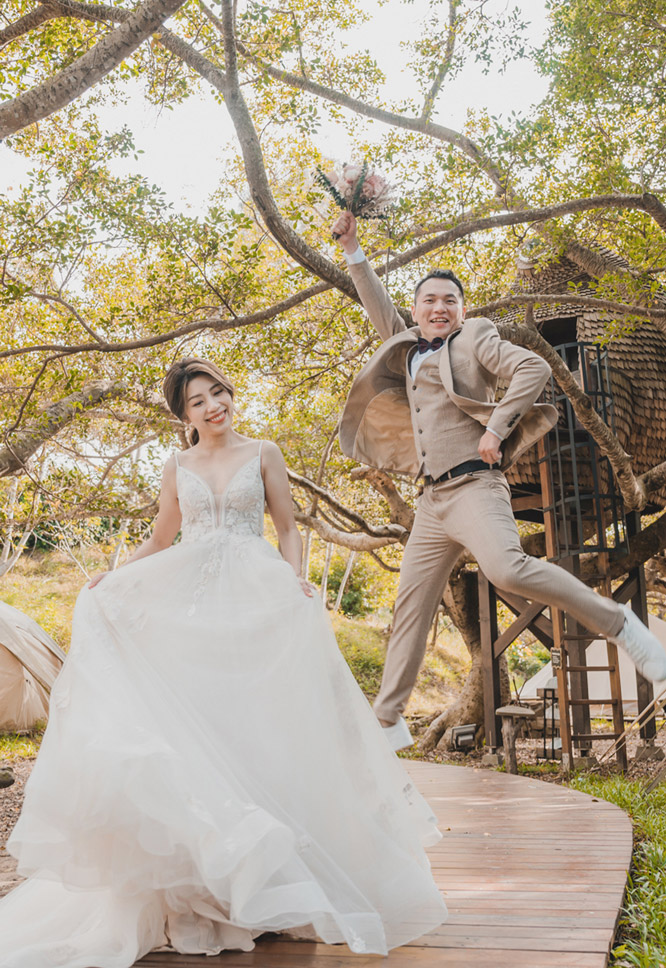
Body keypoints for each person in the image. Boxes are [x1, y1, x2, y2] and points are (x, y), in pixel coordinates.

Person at [0, 357, 447, 967]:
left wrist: (294, 578)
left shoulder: (264, 452)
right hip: (192, 602)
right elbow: (162, 537)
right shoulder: (176, 465)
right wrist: (116, 574)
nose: (214, 406)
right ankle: (213, 883)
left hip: (254, 593)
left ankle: (278, 884)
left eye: (218, 393)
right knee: (201, 728)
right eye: (198, 402)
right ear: (184, 416)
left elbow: (286, 528)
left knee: (259, 728)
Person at [332, 211, 666, 751]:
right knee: (410, 603)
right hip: (432, 500)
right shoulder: (408, 347)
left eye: (450, 301)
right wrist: (353, 250)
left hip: (475, 486)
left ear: (462, 311)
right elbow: (377, 305)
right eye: (429, 301)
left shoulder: (476, 338)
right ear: (416, 311)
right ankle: (387, 721)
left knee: (507, 568)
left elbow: (534, 370)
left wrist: (496, 426)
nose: (439, 308)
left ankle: (622, 626)